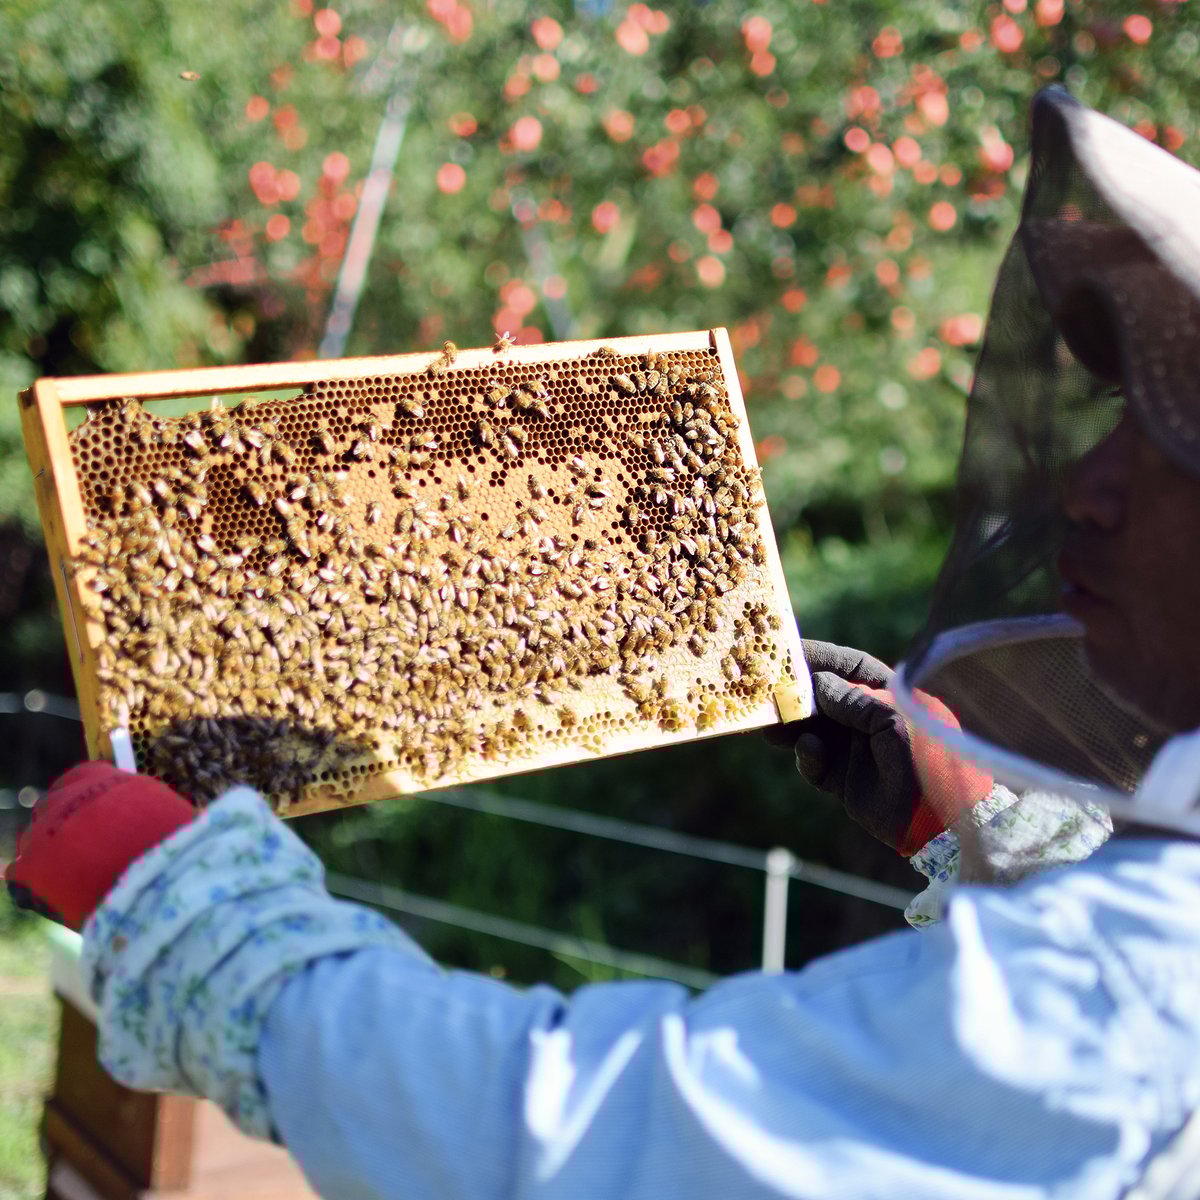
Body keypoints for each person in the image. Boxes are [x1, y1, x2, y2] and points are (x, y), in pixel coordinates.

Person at [9, 86, 1200, 1198]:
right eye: (1109, 424)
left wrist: (200, 927)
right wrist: (996, 830)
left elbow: (600, 1135)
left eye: (1163, 445)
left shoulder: (1141, 994)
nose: (1084, 494)